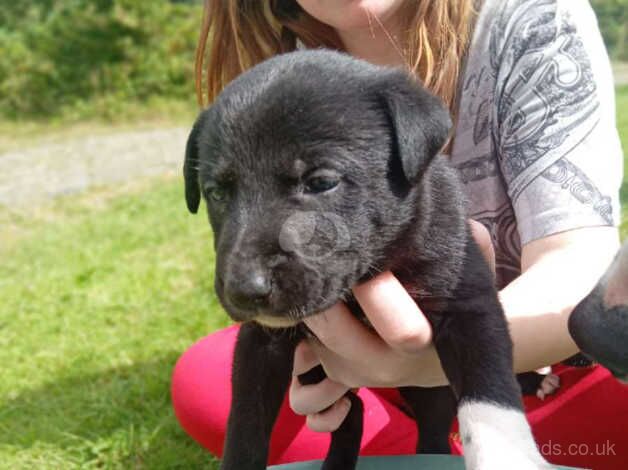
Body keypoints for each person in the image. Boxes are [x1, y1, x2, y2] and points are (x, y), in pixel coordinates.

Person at [171, 1, 628, 468]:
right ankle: (418, 441)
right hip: (362, 372)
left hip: (536, 360)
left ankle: (440, 439)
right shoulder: (278, 79)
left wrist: (439, 368)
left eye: (320, 182)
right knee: (202, 381)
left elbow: (578, 267)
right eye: (218, 191)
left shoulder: (535, 21)